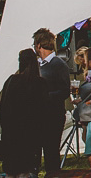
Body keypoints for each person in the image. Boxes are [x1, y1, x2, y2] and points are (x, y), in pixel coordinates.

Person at [0, 48, 46, 178]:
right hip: (29, 135)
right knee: (25, 171)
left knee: (11, 171)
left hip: (11, 133)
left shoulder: (11, 81)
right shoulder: (39, 83)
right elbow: (42, 111)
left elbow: (3, 108)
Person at [34, 27, 70, 174]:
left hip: (53, 115)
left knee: (51, 151)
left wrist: (46, 96)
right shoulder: (36, 65)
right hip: (37, 115)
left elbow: (65, 91)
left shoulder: (58, 64)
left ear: (38, 45)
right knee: (34, 150)